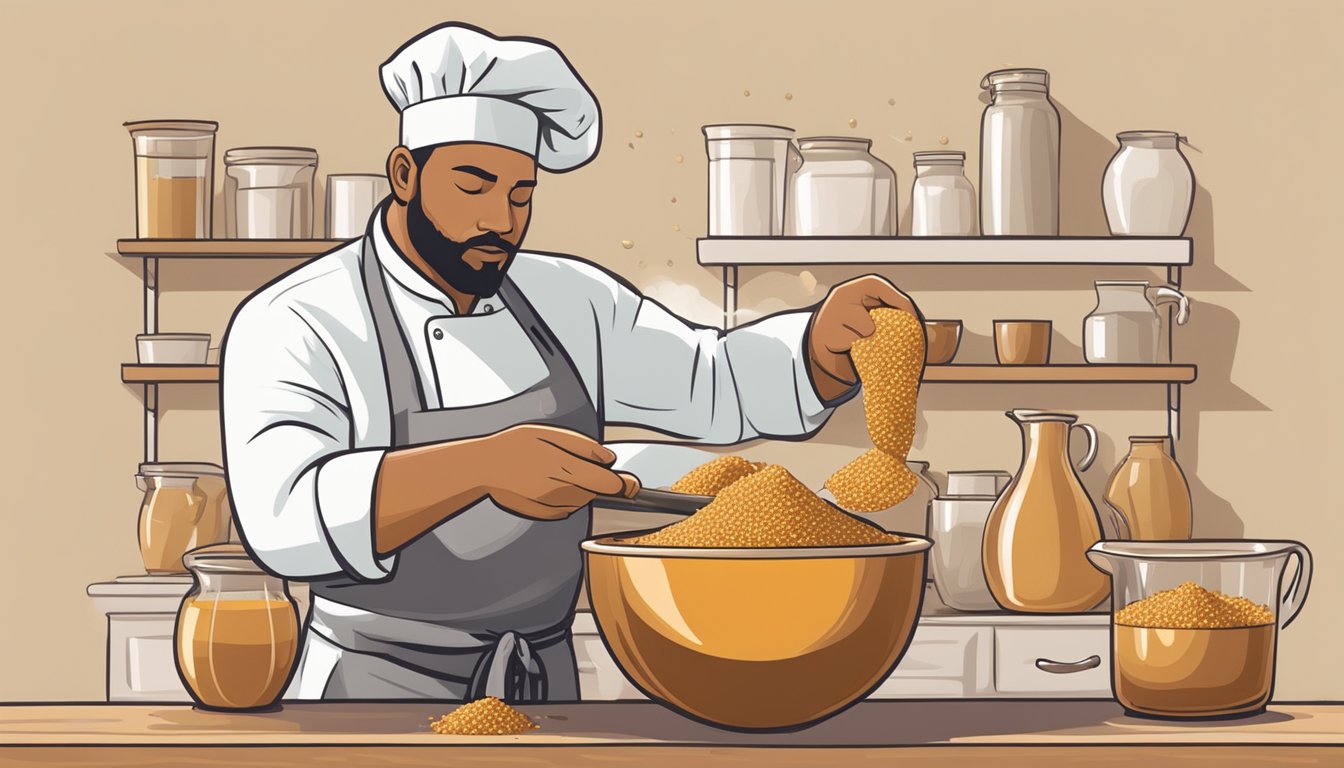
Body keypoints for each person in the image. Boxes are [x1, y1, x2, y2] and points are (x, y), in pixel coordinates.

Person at [221, 21, 920, 702]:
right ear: (405, 172)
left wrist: (818, 349)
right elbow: (283, 521)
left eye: (521, 194)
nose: (502, 219)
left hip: (541, 681)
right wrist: (482, 467)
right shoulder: (298, 317)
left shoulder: (568, 298)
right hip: (370, 688)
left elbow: (710, 382)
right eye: (474, 185)